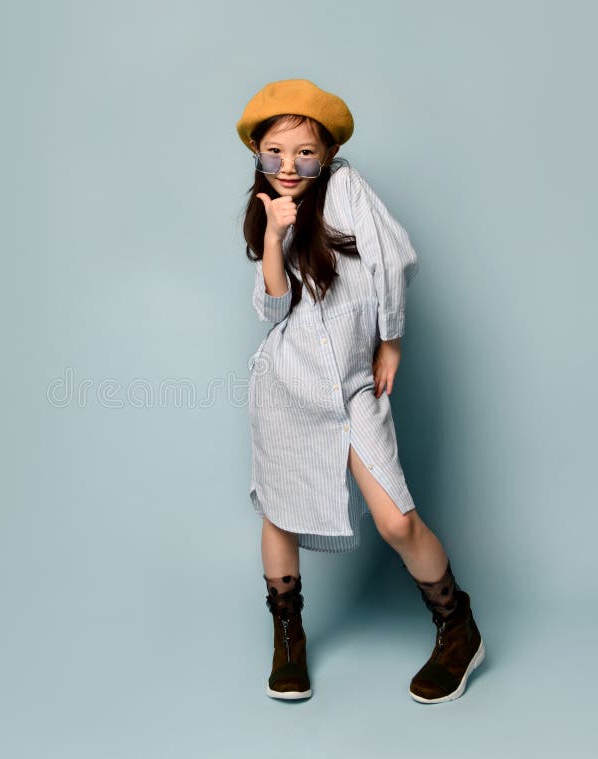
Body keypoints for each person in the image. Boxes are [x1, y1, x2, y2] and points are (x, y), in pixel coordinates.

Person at [236, 79, 485, 704]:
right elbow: (272, 311)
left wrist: (391, 341)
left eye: (303, 152)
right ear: (258, 154)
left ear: (326, 154)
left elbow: (393, 258)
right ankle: (287, 638)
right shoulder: (268, 209)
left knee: (396, 520)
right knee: (279, 510)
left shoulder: (348, 189)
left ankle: (458, 627)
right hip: (287, 387)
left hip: (350, 388)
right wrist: (272, 237)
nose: (288, 166)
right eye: (274, 152)